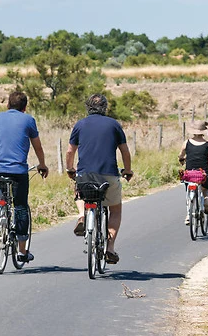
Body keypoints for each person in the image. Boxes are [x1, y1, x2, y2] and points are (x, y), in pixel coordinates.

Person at [65, 93, 133, 265]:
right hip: (109, 174)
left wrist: (70, 169)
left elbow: (70, 151)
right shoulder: (114, 125)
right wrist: (128, 170)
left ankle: (82, 215)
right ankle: (110, 248)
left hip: (85, 174)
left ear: (88, 107)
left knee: (79, 192)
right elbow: (125, 151)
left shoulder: (80, 124)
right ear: (105, 107)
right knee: (115, 210)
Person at [0, 91, 49, 262]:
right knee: (20, 205)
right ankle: (22, 251)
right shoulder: (28, 120)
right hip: (18, 171)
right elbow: (38, 147)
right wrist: (42, 164)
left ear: (8, 104)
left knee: (1, 198)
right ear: (25, 107)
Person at [178, 120, 208, 224]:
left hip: (189, 174)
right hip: (203, 174)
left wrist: (181, 159)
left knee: (188, 192)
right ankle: (206, 199)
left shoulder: (186, 143)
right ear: (204, 132)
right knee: (207, 188)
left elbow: (181, 155)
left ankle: (188, 215)